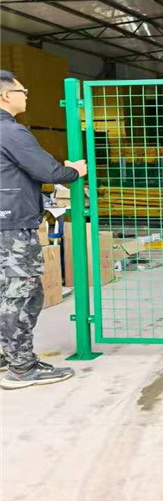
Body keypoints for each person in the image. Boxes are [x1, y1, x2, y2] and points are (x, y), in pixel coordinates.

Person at [0, 69, 87, 389]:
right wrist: (73, 171)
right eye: (22, 91)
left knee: (6, 292)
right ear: (5, 95)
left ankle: (8, 356)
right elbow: (47, 170)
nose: (26, 96)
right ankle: (21, 368)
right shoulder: (10, 131)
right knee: (22, 294)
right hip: (11, 225)